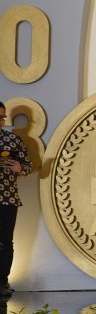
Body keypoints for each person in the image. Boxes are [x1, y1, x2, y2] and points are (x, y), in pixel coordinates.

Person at [0, 102, 32, 300]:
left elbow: (28, 166)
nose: (1, 121)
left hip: (7, 198)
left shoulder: (13, 140)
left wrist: (20, 168)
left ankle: (2, 282)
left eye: (2, 117)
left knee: (5, 242)